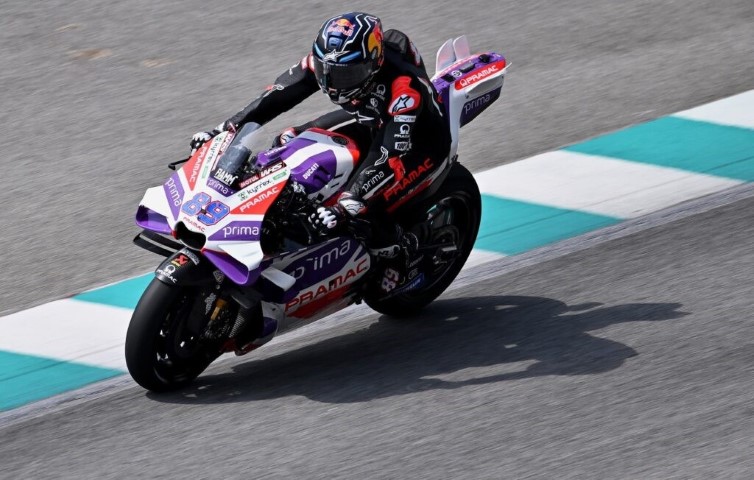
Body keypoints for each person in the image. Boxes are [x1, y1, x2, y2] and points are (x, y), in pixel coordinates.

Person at [190, 12, 451, 287]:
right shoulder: (329, 61)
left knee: (362, 211)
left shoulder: (404, 92)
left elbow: (388, 158)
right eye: (329, 72)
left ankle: (400, 253)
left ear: (374, 62)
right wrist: (226, 129)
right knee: (287, 140)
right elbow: (276, 96)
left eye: (348, 73)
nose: (335, 82)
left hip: (418, 145)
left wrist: (344, 206)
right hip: (372, 121)